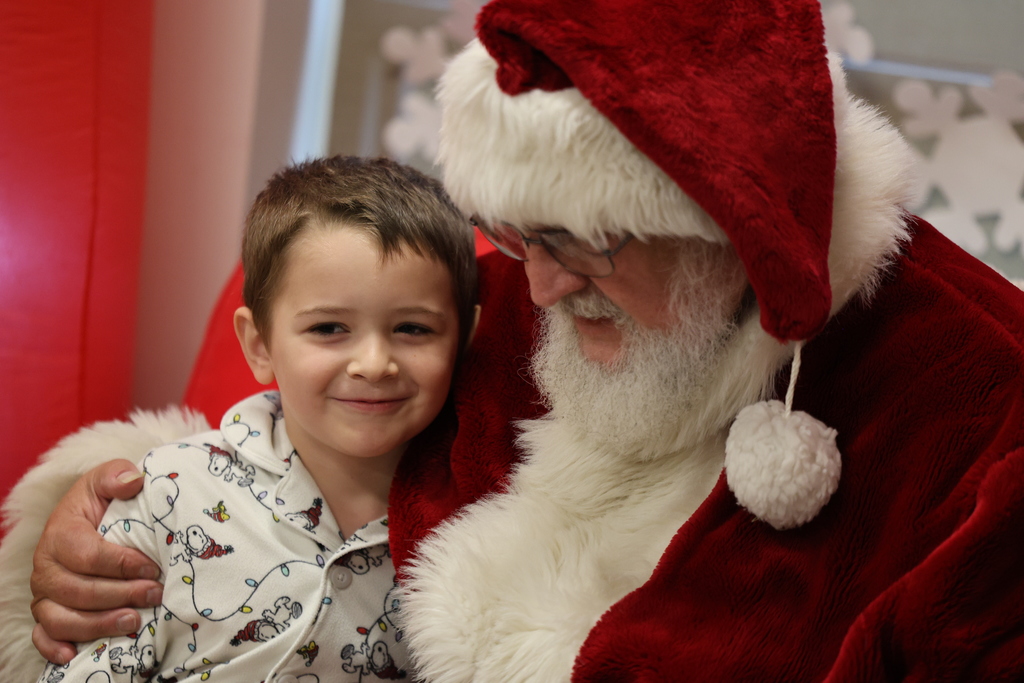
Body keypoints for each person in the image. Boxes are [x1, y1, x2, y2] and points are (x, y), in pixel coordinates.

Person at [6, 0, 1024, 680]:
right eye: (520, 236)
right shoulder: (495, 302)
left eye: (588, 241)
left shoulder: (975, 394)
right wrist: (100, 518)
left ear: (733, 228)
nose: (539, 286)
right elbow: (295, 446)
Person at [27, 155, 479, 682]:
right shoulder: (168, 490)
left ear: (464, 339)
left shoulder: (483, 514)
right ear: (259, 345)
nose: (375, 364)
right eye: (330, 328)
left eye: (413, 329)